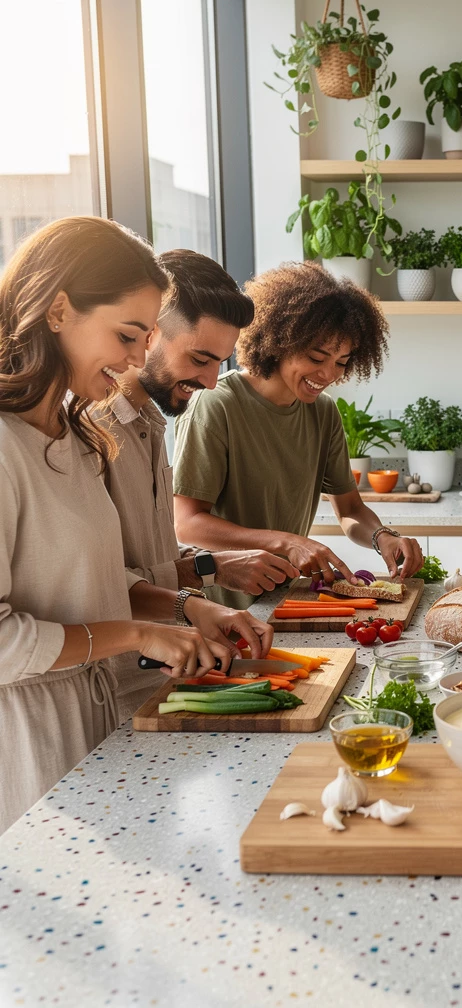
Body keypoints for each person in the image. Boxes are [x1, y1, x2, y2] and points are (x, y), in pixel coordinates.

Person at [0, 217, 267, 834]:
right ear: (58, 310)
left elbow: (95, 582)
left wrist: (185, 607)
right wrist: (137, 636)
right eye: (127, 334)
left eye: (146, 337)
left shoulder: (76, 438)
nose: (138, 357)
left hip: (97, 722)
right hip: (28, 742)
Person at [96, 248, 293, 715]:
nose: (208, 382)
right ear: (150, 333)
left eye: (219, 364)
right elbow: (98, 583)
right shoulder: (90, 425)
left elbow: (149, 555)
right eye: (200, 359)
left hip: (153, 680)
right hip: (111, 689)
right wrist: (192, 599)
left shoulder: (150, 419)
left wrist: (206, 572)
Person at [172, 262, 423, 610]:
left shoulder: (323, 412)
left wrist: (382, 537)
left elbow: (349, 509)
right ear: (279, 341)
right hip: (218, 608)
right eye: (316, 356)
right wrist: (286, 542)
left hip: (281, 601)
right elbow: (186, 524)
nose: (328, 374)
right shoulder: (217, 405)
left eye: (341, 361)